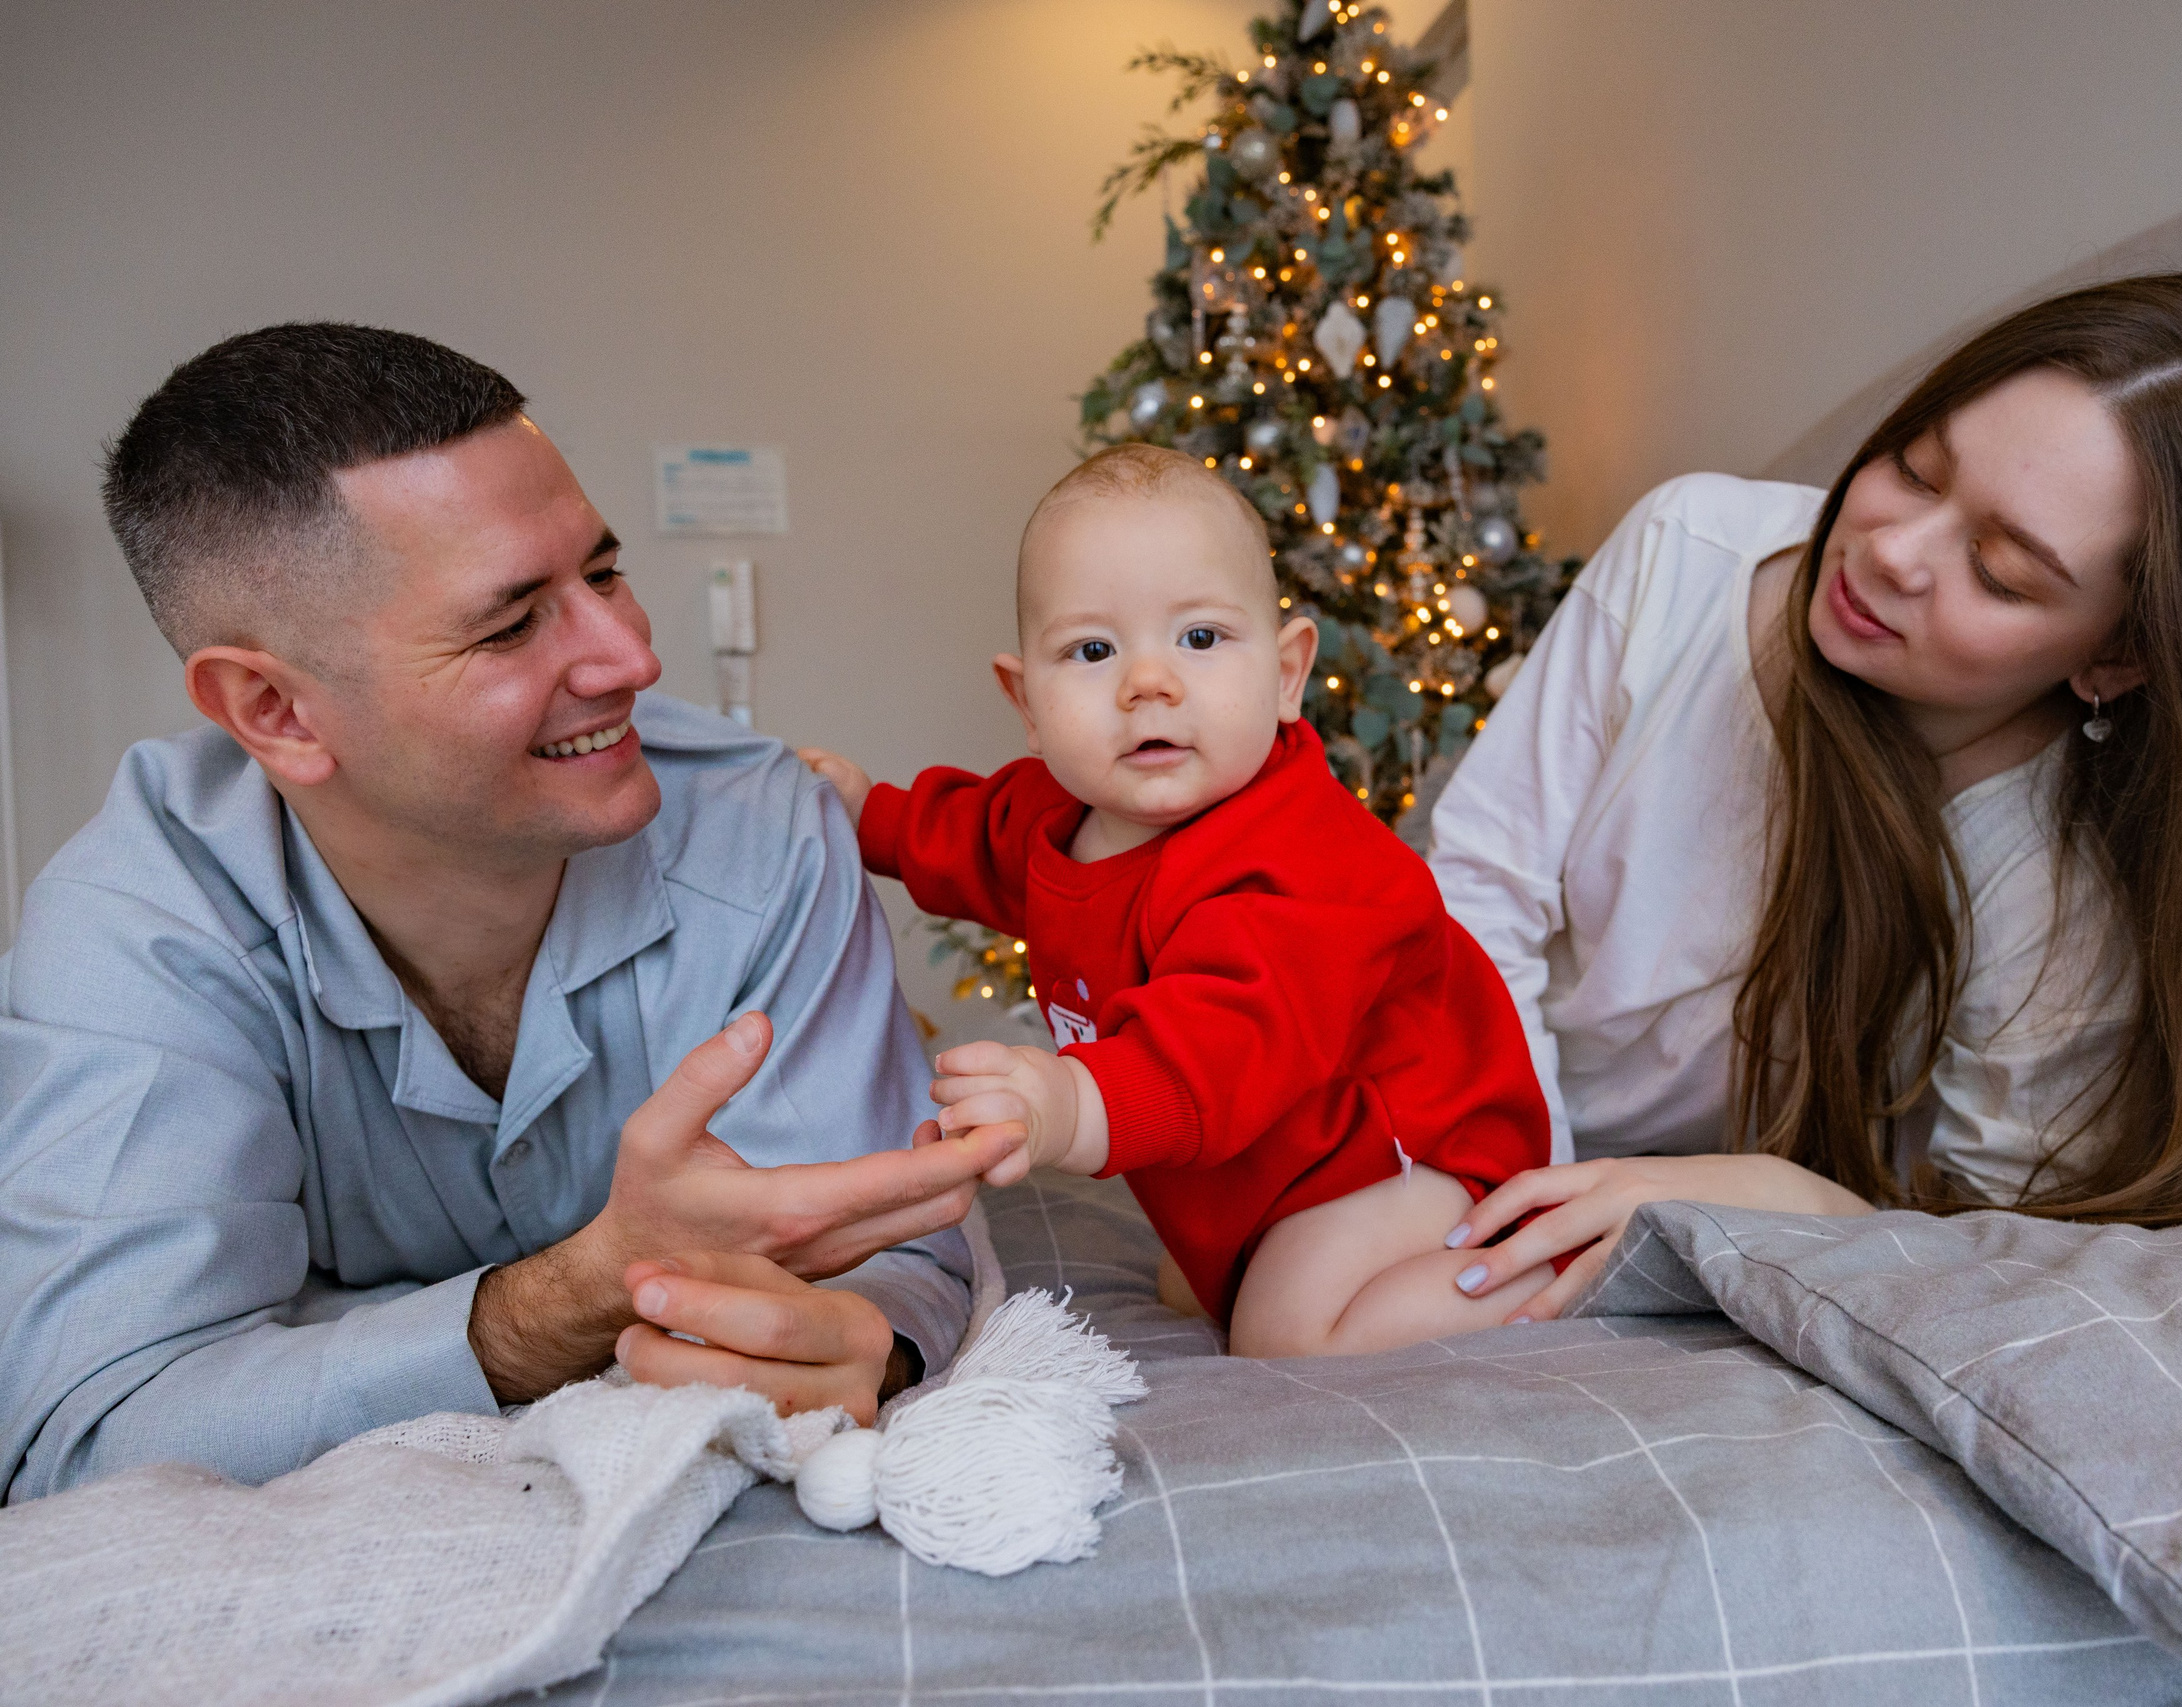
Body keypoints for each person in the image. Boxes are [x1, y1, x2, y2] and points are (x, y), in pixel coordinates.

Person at [0, 324, 1024, 1501]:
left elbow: (887, 1248)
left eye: (601, 572)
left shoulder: (765, 826)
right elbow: (86, 1434)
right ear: (275, 710)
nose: (629, 658)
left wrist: (870, 1338)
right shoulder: (138, 927)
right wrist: (579, 1295)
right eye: (509, 622)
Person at [1428, 273, 2182, 1319]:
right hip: (1458, 1103)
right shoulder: (1690, 549)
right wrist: (1524, 1188)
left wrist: (1789, 1203)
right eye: (1916, 469)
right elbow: (1476, 889)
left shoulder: (2056, 891)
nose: (1888, 553)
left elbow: (1983, 1242)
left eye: (2001, 573)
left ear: (2120, 653)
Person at [803, 444, 1551, 1357]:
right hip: (1269, 1155)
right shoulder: (1058, 817)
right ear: (1027, 701)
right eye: (1092, 649)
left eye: (1200, 638)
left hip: (1401, 1156)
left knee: (1282, 1334)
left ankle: (1541, 1278)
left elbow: (1214, 1050)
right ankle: (1260, 1250)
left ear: (1285, 675)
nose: (1148, 681)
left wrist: (1067, 1104)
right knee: (1203, 1282)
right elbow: (963, 838)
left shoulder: (1303, 865)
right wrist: (860, 812)